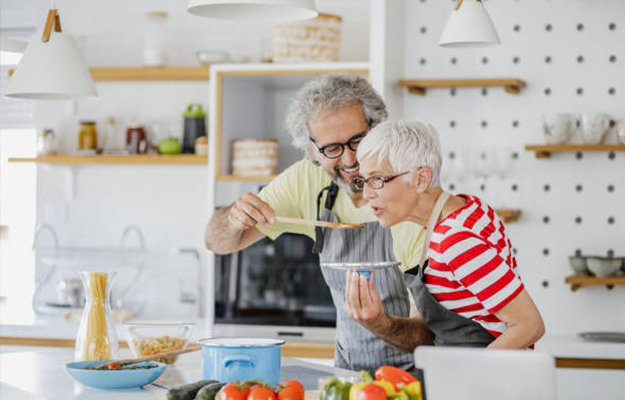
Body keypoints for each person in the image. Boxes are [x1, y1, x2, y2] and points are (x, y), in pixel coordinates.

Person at [205, 74, 429, 371]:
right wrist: (233, 218)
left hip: (415, 377)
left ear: (378, 129)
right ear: (313, 151)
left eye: (357, 141)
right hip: (346, 373)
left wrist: (382, 325)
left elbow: (427, 332)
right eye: (332, 149)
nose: (350, 160)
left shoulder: (410, 195)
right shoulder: (306, 181)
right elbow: (216, 243)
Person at [345, 120, 545, 351]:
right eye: (364, 180)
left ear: (420, 179)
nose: (367, 193)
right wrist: (377, 321)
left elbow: (529, 325)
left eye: (377, 179)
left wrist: (471, 375)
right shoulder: (464, 209)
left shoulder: (455, 240)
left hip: (491, 382)